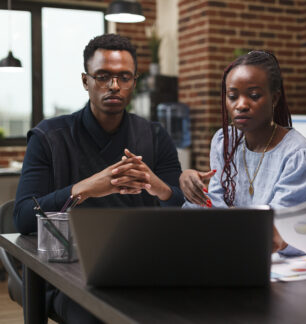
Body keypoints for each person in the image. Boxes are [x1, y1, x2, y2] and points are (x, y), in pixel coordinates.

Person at [13, 34, 184, 323]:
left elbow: (181, 206)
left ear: (134, 81)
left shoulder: (154, 136)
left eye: (124, 77)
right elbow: (23, 217)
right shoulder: (48, 138)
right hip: (68, 274)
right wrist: (83, 189)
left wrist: (157, 187)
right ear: (86, 80)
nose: (114, 86)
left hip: (140, 269)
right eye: (103, 76)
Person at [179, 50, 306, 253]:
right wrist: (191, 184)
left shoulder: (297, 152)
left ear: (275, 98)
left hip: (288, 261)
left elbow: (276, 226)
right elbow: (216, 205)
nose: (241, 105)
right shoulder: (224, 141)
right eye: (232, 96)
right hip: (236, 247)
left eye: (254, 96)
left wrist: (230, 215)